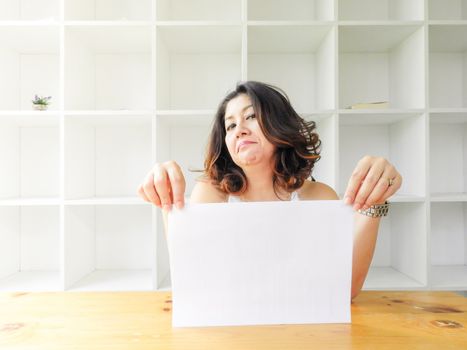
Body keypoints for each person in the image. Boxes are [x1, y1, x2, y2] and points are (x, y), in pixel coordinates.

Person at [137, 81, 402, 300]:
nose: (239, 129)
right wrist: (167, 204)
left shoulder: (318, 196)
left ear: (278, 123)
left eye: (250, 116)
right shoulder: (212, 196)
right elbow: (193, 282)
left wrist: (374, 204)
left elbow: (345, 291)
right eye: (230, 125)